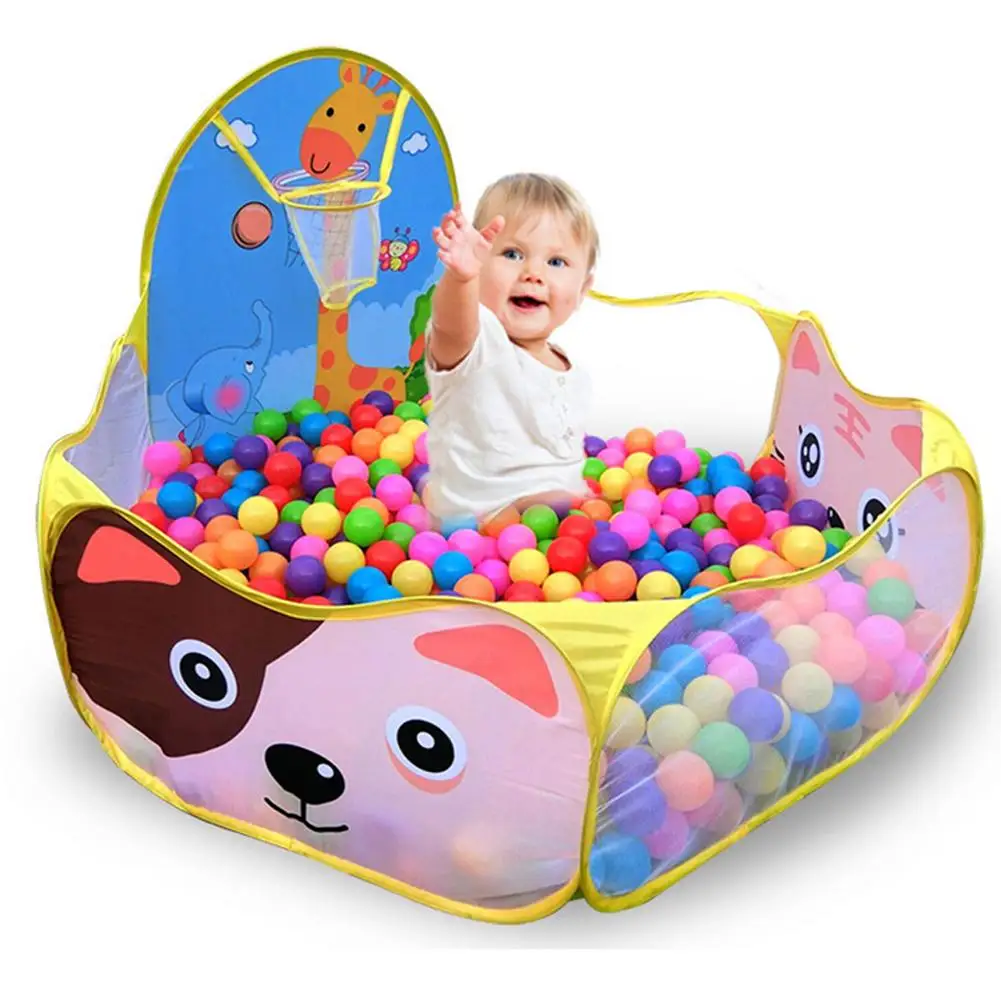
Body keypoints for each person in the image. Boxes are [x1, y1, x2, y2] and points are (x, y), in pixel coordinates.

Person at [422, 172, 600, 526]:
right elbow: (451, 327)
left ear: (582, 290)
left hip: (556, 529)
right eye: (512, 254)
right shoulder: (480, 342)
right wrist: (461, 278)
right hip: (475, 522)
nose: (533, 273)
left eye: (556, 262)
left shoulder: (574, 373)